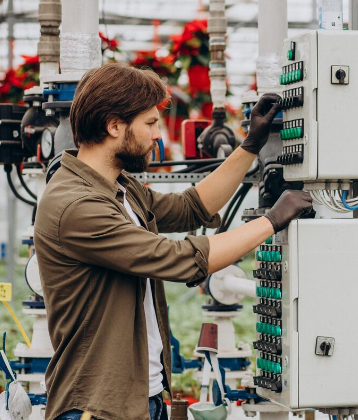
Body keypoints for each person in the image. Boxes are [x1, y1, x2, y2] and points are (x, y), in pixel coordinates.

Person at [34, 63, 313, 420]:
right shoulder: (76, 205)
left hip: (141, 399)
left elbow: (191, 207)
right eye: (150, 123)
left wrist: (251, 145)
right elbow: (177, 258)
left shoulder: (118, 187)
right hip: (97, 408)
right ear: (114, 125)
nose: (157, 135)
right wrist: (271, 221)